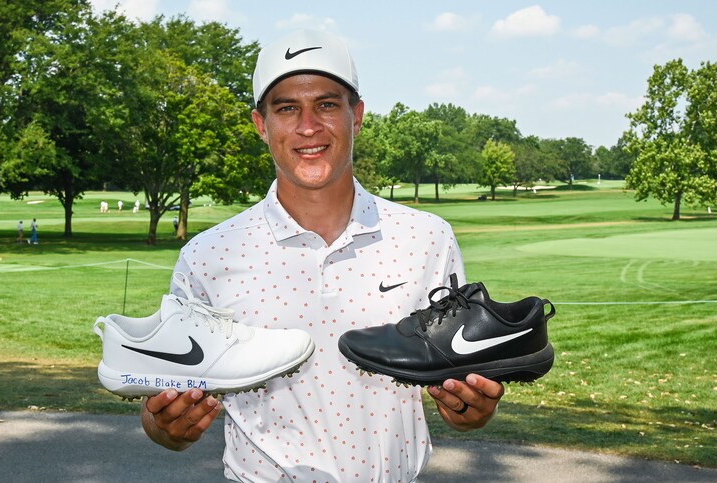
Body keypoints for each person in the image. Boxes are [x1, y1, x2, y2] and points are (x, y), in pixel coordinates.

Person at [140, 30, 503, 482]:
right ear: (261, 124)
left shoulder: (428, 237)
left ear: (357, 116)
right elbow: (162, 415)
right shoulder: (208, 255)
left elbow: (461, 394)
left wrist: (471, 409)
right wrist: (167, 425)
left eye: (327, 105)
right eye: (287, 108)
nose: (308, 126)